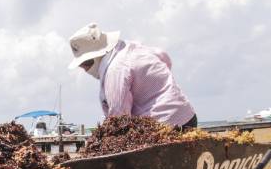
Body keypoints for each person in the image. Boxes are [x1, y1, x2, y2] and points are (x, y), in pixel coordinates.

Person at [67, 23, 197, 128]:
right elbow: (164, 56)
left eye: (85, 63)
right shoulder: (131, 47)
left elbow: (119, 120)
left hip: (164, 128)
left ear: (96, 56)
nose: (84, 69)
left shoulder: (115, 70)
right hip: (187, 115)